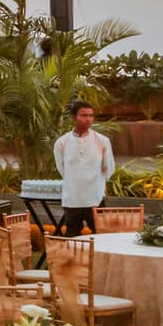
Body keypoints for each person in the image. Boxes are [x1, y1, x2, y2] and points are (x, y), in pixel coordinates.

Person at [52, 101, 115, 238]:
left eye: (91, 115)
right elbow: (62, 169)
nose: (88, 119)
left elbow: (108, 167)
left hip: (95, 198)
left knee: (101, 238)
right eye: (84, 115)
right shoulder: (62, 143)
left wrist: (98, 186)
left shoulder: (102, 141)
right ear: (73, 118)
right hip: (72, 199)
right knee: (72, 238)